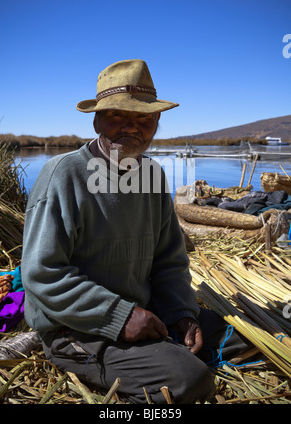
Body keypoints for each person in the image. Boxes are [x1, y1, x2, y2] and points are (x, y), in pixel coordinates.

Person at [21, 59, 250, 404]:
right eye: (118, 116)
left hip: (145, 312)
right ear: (97, 119)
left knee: (240, 337)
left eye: (144, 118)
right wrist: (120, 316)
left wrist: (181, 313)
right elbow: (42, 272)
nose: (133, 127)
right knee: (188, 380)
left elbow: (169, 260)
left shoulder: (152, 175)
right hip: (78, 327)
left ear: (156, 122)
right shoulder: (63, 175)